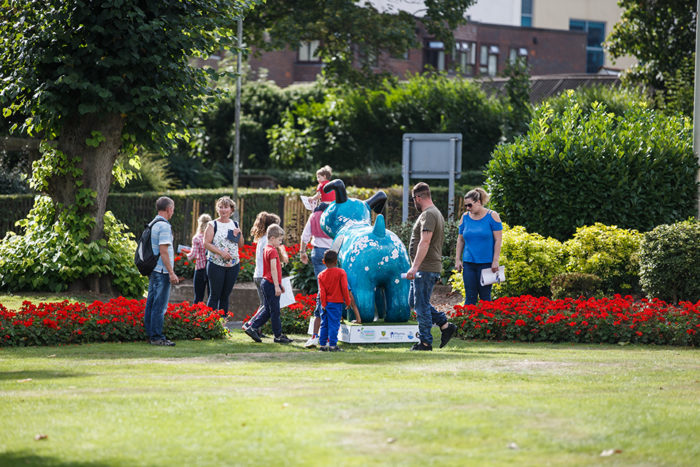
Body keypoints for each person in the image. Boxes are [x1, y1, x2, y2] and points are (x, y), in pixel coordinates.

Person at [405, 182, 457, 351]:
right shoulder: (433, 213)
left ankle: (425, 342)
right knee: (415, 301)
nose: (414, 202)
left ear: (418, 197)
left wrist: (414, 267)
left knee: (421, 305)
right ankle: (444, 325)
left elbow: (424, 242)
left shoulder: (429, 215)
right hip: (425, 267)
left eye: (413, 199)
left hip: (425, 268)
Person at [244, 224, 294, 344]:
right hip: (270, 283)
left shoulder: (267, 249)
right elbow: (273, 269)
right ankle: (278, 336)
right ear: (272, 238)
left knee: (268, 310)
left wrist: (278, 284)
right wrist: (276, 285)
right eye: (279, 240)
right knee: (275, 311)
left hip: (266, 282)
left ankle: (253, 327)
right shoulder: (272, 251)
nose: (280, 242)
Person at [455, 187, 503, 305]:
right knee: (470, 297)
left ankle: (486, 323)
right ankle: (467, 322)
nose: (467, 208)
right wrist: (457, 259)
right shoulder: (465, 217)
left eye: (470, 205)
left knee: (485, 297)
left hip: (486, 264)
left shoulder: (492, 216)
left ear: (479, 202)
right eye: (466, 206)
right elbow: (460, 240)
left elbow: (498, 240)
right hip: (469, 263)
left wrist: (495, 261)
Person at [144, 196, 179, 346]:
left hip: (154, 270)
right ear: (168, 209)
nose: (173, 212)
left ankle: (151, 335)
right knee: (159, 306)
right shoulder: (164, 226)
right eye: (172, 209)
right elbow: (164, 251)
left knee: (151, 304)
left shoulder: (153, 223)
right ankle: (157, 337)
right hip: (162, 271)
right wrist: (171, 272)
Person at [204, 196, 244, 319]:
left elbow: (241, 244)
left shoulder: (235, 224)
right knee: (215, 294)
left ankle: (222, 324)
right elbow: (206, 243)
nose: (223, 210)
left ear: (231, 209)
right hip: (216, 265)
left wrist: (239, 234)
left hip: (233, 265)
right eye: (220, 207)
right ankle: (209, 324)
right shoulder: (212, 224)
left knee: (225, 296)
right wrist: (221, 253)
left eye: (226, 207)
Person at [300, 202, 333, 348]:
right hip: (333, 253)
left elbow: (305, 236)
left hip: (318, 251)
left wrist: (302, 252)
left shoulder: (313, 217)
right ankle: (328, 334)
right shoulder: (331, 216)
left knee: (322, 290)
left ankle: (316, 334)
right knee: (333, 289)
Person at [317, 249, 359, 352]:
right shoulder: (341, 272)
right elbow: (345, 288)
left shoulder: (321, 275)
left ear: (323, 261)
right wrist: (348, 302)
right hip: (336, 304)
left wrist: (323, 304)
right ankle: (332, 346)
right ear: (336, 261)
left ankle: (322, 345)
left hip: (325, 304)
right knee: (334, 325)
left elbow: (322, 292)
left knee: (324, 324)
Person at [187, 213, 211, 304]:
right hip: (211, 269)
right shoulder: (211, 237)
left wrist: (186, 254)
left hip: (200, 269)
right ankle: (211, 316)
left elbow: (193, 255)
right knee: (211, 296)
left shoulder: (197, 238)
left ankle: (197, 316)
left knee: (198, 297)